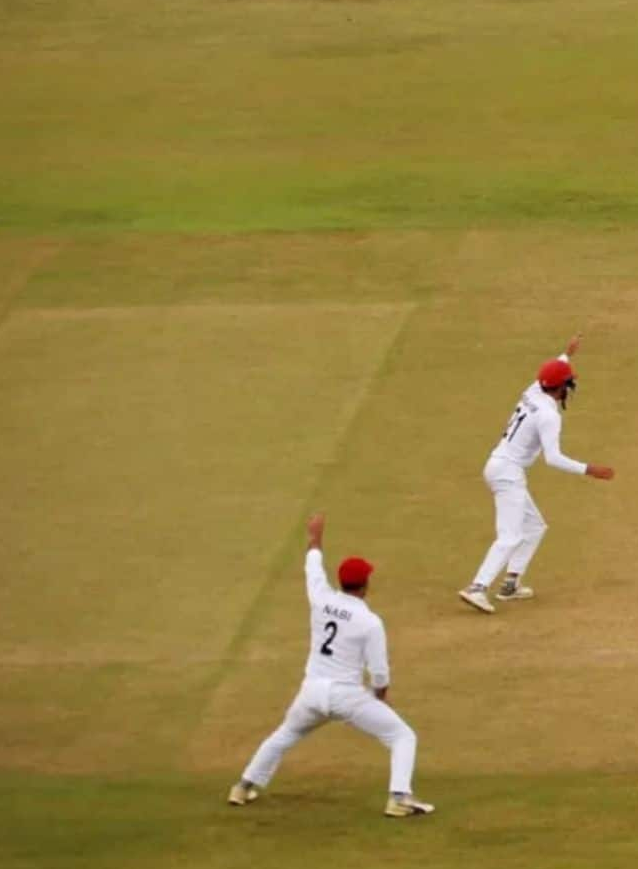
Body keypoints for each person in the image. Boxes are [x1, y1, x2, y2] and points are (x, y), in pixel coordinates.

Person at [228, 513, 434, 818]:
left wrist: (315, 541)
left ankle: (242, 787)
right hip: (347, 696)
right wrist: (380, 700)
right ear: (365, 585)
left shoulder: (321, 598)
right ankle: (399, 797)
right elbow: (379, 673)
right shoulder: (370, 622)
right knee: (402, 736)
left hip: (312, 691)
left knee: (284, 735)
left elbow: (313, 569)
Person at [459, 336, 614, 614]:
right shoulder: (549, 415)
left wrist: (566, 354)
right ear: (562, 388)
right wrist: (589, 470)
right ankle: (477, 587)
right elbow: (552, 458)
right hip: (507, 472)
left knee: (535, 527)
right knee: (510, 536)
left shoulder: (533, 391)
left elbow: (551, 373)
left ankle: (510, 583)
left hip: (499, 465)